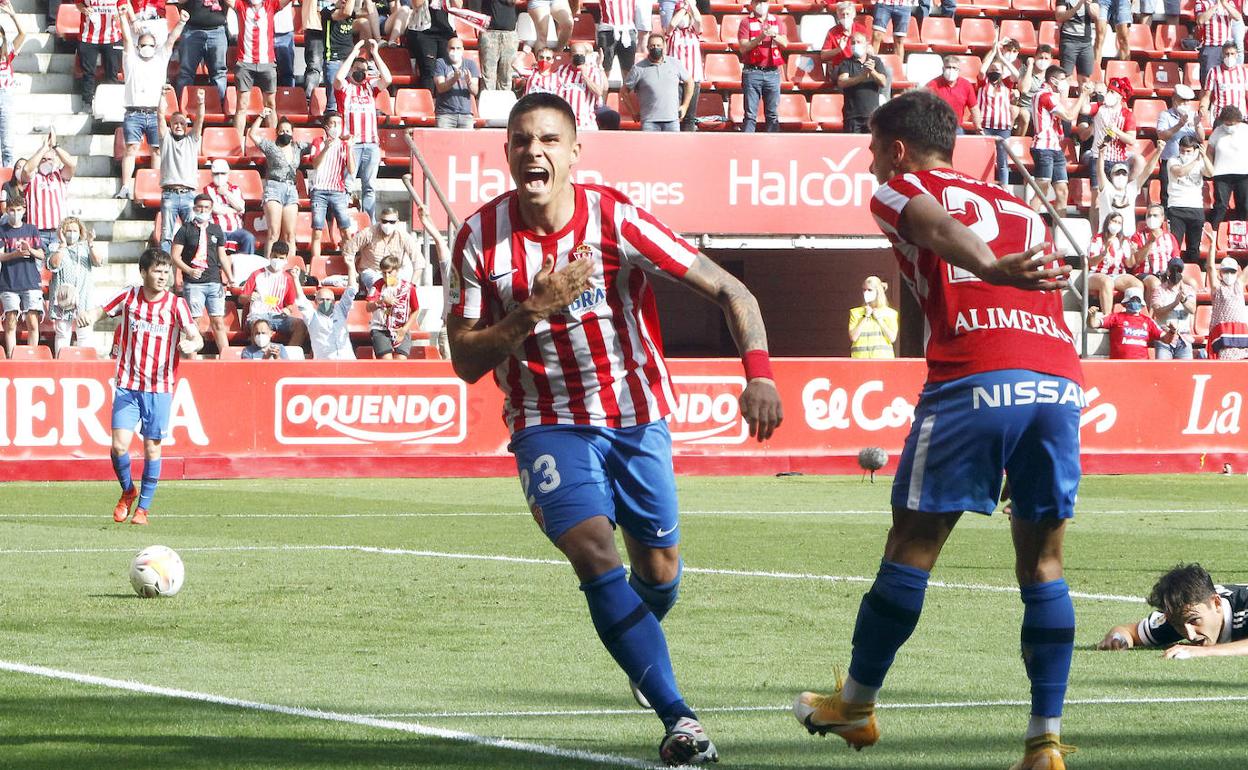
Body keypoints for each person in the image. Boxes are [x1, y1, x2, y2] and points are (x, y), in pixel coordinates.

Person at [447, 92, 782, 766]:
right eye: (520, 141)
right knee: (593, 550)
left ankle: (639, 642)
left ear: (574, 152)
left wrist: (761, 373)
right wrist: (530, 312)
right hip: (547, 421)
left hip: (636, 415)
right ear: (505, 152)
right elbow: (464, 361)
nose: (533, 152)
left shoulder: (613, 218)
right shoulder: (479, 239)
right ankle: (681, 720)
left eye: (548, 140)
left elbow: (731, 291)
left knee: (659, 573)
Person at [792, 89, 1082, 770]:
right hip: (1058, 379)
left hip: (975, 375)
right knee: (1044, 560)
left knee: (913, 543)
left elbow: (930, 220)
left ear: (896, 148)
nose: (870, 166)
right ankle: (1045, 742)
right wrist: (1002, 267)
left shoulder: (901, 187)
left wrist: (983, 268)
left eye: (872, 150)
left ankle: (856, 707)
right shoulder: (1018, 204)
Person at [76, 248, 204, 526]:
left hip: (159, 387)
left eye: (166, 271)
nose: (163, 276)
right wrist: (88, 316)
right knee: (118, 446)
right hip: (127, 384)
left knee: (151, 449)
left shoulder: (175, 304)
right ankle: (127, 490)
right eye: (157, 271)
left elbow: (197, 337)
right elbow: (101, 310)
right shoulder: (129, 296)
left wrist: (191, 343)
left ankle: (143, 509)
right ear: (143, 272)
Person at [115, 6, 187, 201]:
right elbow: (127, 39)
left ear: (155, 47)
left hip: (155, 113)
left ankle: (155, 187)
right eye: (143, 44)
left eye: (150, 45)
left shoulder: (160, 60)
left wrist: (181, 22)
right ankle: (125, 186)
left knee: (156, 150)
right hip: (133, 112)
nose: (146, 47)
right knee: (131, 149)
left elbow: (171, 40)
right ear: (139, 47)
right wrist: (123, 17)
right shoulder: (130, 60)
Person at [1100, 564, 1248, 657]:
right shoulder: (1179, 615)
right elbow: (1128, 631)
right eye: (1178, 625)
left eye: (1194, 620)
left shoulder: (1244, 606)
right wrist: (1118, 638)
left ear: (1216, 603)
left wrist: (1204, 652)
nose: (1190, 635)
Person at [334, 40, 392, 221]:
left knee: (370, 186)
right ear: (351, 70)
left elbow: (388, 79)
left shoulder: (370, 88)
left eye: (364, 70)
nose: (360, 72)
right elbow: (337, 79)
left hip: (372, 144)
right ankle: (343, 221)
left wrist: (375, 54)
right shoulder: (345, 88)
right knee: (347, 185)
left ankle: (369, 220)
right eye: (357, 69)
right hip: (352, 144)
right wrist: (353, 53)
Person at [171, 193, 234, 356]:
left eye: (206, 207)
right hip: (193, 283)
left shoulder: (216, 229)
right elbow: (175, 256)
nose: (203, 210)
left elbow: (222, 255)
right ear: (194, 208)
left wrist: (230, 277)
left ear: (211, 209)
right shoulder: (185, 229)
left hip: (214, 281)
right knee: (194, 324)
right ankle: (191, 361)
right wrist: (189, 270)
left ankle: (227, 358)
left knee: (218, 322)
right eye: (199, 207)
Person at [228, 0, 294, 143]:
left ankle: (275, 143)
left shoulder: (271, 4)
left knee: (270, 104)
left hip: (267, 62)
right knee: (242, 106)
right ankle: (238, 143)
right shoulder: (241, 5)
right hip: (245, 62)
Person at [1030, 68, 1093, 214]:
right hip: (1043, 146)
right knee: (1042, 189)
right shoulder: (1045, 95)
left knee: (1062, 191)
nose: (1066, 83)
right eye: (1063, 79)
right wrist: (1083, 95)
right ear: (1053, 80)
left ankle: (1059, 232)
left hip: (1055, 147)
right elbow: (1069, 116)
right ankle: (1030, 224)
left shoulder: (1051, 95)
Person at [248, 110, 309, 260]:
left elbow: (316, 144)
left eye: (287, 130)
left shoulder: (298, 147)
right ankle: (269, 264)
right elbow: (252, 134)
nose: (285, 133)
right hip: (274, 187)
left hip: (291, 189)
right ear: (277, 133)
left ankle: (290, 265)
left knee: (290, 235)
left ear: (292, 133)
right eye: (281, 130)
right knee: (273, 233)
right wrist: (261, 116)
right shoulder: (271, 146)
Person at [157, 88, 206, 256]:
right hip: (170, 194)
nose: (178, 126)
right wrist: (162, 96)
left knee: (192, 235)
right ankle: (165, 272)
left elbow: (200, 120)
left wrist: (200, 102)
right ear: (171, 126)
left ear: (186, 126)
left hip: (189, 195)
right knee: (166, 236)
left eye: (182, 123)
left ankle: (189, 270)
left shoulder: (192, 140)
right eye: (175, 123)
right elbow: (160, 117)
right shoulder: (166, 139)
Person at [308, 112, 358, 268]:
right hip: (319, 190)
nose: (336, 127)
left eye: (339, 123)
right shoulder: (318, 142)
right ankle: (315, 264)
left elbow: (351, 169)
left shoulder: (344, 145)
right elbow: (315, 164)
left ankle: (350, 264)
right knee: (317, 230)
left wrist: (350, 148)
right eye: (333, 123)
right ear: (326, 126)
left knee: (345, 231)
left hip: (338, 191)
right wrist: (326, 149)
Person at [47, 216, 102, 356]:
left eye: (75, 230)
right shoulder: (55, 247)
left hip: (83, 298)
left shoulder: (85, 247)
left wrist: (91, 244)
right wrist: (62, 245)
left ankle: (83, 365)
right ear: (62, 232)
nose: (72, 233)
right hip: (63, 299)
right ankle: (60, 364)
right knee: (62, 334)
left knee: (84, 333)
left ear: (80, 232)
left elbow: (98, 261)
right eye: (68, 230)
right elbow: (54, 264)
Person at [0, 198, 45, 357]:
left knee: (33, 322)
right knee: (10, 322)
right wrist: (16, 254)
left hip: (31, 282)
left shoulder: (32, 229)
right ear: (7, 211)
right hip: (8, 283)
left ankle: (31, 356)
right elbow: (0, 256)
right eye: (12, 210)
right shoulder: (2, 230)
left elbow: (41, 254)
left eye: (19, 210)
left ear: (24, 210)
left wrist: (29, 250)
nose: (15, 213)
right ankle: (12, 357)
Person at [240, 240, 307, 347]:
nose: (277, 260)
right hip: (257, 315)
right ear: (270, 255)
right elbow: (241, 298)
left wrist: (287, 309)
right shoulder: (257, 274)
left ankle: (289, 355)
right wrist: (249, 297)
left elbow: (290, 304)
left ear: (286, 259)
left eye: (281, 258)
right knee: (260, 327)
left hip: (277, 316)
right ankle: (257, 356)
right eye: (275, 257)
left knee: (300, 325)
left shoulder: (288, 278)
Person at [342, 205, 424, 292]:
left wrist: (412, 285)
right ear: (380, 221)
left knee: (400, 287)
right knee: (380, 286)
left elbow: (419, 261)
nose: (387, 224)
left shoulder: (403, 236)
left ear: (397, 222)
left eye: (391, 222)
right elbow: (348, 250)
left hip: (393, 273)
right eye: (384, 221)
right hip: (372, 271)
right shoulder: (369, 232)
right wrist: (353, 271)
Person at [20, 130, 76, 255]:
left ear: (55, 160)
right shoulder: (32, 177)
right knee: (37, 271)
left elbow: (72, 165)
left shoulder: (60, 176)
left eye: (50, 159)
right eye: (43, 159)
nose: (46, 162)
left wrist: (55, 147)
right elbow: (27, 168)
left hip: (58, 232)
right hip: (37, 232)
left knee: (57, 269)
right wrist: (43, 149)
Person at [624, 34, 692, 132]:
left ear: (664, 47)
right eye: (652, 46)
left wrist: (685, 106)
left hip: (672, 120)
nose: (656, 48)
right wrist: (633, 111)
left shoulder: (675, 64)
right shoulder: (638, 68)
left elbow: (689, 82)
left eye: (658, 45)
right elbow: (624, 91)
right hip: (649, 122)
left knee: (673, 147)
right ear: (647, 47)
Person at [1082, 78, 1139, 193]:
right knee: (1097, 195)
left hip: (1118, 160)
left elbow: (1131, 140)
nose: (1108, 94)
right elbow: (1084, 109)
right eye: (1108, 91)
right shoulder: (1099, 107)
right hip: (1098, 157)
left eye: (1112, 92)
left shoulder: (1127, 115)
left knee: (1117, 194)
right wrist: (1085, 94)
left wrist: (1116, 130)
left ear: (1120, 96)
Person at [1086, 285, 1173, 358]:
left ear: (1142, 303)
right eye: (1132, 300)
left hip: (1142, 367)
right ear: (1125, 302)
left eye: (1137, 300)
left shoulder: (1148, 321)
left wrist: (1172, 331)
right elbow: (1093, 324)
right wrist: (1091, 316)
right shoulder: (1115, 317)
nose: (1135, 303)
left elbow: (1166, 339)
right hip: (1119, 366)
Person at [738, 0, 785, 133]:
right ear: (752, 4)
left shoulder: (776, 20)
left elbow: (785, 43)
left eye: (764, 2)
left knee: (772, 115)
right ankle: (746, 146)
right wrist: (761, 37)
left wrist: (774, 34)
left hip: (772, 72)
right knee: (750, 115)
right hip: (752, 71)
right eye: (758, 2)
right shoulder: (746, 22)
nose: (761, 5)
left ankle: (773, 145)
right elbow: (743, 47)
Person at [1166, 135, 1212, 265]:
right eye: (1182, 150)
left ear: (1195, 150)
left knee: (1194, 247)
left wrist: (1203, 157)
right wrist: (1195, 160)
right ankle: (1174, 274)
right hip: (1176, 207)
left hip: (1196, 207)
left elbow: (1210, 173)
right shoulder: (1173, 160)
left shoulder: (1200, 161)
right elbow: (1179, 172)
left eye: (1188, 151)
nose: (1185, 154)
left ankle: (1193, 271)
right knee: (1175, 246)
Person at [1086, 210, 1141, 313]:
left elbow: (1129, 264)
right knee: (1107, 282)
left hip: (1117, 275)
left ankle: (1133, 316)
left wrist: (1133, 253)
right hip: (1097, 274)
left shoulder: (1123, 241)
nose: (1116, 224)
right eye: (1114, 221)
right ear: (1108, 223)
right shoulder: (1096, 239)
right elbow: (1091, 263)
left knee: (1137, 284)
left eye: (1119, 223)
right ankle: (1107, 318)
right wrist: (1103, 252)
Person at [175, 0, 229, 105]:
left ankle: (219, 106)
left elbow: (233, 3)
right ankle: (181, 108)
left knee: (219, 73)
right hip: (192, 30)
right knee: (186, 73)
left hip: (217, 30)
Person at [366, 254, 419, 358]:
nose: (387, 276)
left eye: (389, 272)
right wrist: (381, 302)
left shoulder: (408, 288)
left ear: (397, 271)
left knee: (401, 359)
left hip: (400, 327)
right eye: (384, 273)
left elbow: (416, 309)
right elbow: (368, 307)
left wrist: (404, 330)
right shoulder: (378, 285)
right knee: (386, 360)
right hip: (381, 328)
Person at [1129, 203, 1181, 307]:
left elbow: (1176, 258)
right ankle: (1151, 317)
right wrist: (1150, 242)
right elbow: (1137, 261)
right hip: (1144, 273)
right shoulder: (1137, 236)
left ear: (1162, 218)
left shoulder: (1169, 237)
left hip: (1166, 273)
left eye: (1155, 215)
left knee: (1191, 282)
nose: (1151, 218)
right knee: (1154, 283)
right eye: (1149, 215)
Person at [1156, 85, 1201, 208]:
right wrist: (1179, 125)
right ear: (1174, 99)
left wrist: (1197, 125)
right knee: (1167, 195)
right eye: (1182, 100)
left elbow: (1201, 138)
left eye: (1188, 101)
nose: (1186, 103)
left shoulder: (1192, 115)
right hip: (1170, 161)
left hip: (1189, 162)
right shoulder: (1165, 115)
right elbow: (1162, 136)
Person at [835, 33, 887, 134]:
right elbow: (842, 82)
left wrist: (872, 71)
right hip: (852, 117)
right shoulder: (846, 63)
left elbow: (883, 82)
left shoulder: (876, 61)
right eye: (853, 43)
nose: (856, 45)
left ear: (866, 44)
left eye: (859, 42)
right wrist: (862, 77)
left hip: (871, 116)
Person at [1207, 106, 1248, 235]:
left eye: (1232, 124)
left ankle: (1243, 235)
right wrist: (1209, 168)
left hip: (1243, 174)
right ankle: (1215, 233)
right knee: (1221, 206)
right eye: (1227, 123)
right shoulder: (1217, 131)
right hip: (1221, 174)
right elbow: (1210, 152)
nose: (1229, 126)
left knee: (1244, 206)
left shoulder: (1246, 130)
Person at [77, 0, 123, 112]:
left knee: (112, 74)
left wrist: (120, 13)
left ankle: (112, 104)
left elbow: (124, 5)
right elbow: (78, 3)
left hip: (112, 36)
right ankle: (87, 102)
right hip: (88, 36)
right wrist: (84, 9)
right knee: (88, 73)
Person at [203, 159, 256, 256]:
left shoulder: (235, 189)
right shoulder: (208, 189)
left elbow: (240, 206)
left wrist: (227, 193)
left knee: (249, 237)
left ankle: (246, 264)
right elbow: (215, 209)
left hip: (236, 229)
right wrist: (233, 209)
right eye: (216, 174)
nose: (219, 176)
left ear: (227, 174)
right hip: (218, 229)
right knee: (220, 237)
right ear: (212, 174)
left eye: (222, 173)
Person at [664, 0, 702, 132]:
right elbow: (673, 23)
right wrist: (684, 8)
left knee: (690, 116)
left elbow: (698, 20)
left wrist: (692, 6)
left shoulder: (694, 32)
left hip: (693, 79)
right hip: (675, 80)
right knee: (674, 115)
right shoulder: (672, 33)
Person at [1149, 257, 1197, 359]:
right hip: (1164, 337)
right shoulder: (1159, 290)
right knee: (1163, 371)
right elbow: (1157, 312)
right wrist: (1174, 304)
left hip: (1184, 339)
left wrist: (1183, 300)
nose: (1175, 273)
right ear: (1168, 271)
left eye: (1178, 270)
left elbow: (1192, 309)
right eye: (1173, 270)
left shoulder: (1188, 290)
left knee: (1186, 372)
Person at [977, 58, 1016, 187]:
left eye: (997, 70)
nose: (994, 72)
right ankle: (984, 185)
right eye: (992, 70)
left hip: (1003, 127)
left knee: (1002, 160)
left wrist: (1003, 58)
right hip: (985, 126)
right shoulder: (983, 83)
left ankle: (1004, 187)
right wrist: (994, 52)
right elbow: (982, 71)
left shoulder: (1006, 83)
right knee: (983, 157)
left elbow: (1016, 75)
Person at [0, 5, 28, 169]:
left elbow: (23, 34)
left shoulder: (6, 53)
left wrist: (13, 15)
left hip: (6, 99)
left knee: (8, 146)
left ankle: (7, 186)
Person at [297, 285, 356, 359]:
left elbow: (351, 291)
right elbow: (300, 299)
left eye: (328, 299)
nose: (325, 302)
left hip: (348, 361)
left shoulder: (340, 311)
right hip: (325, 363)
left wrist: (351, 272)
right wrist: (295, 277)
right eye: (321, 299)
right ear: (315, 301)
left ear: (334, 302)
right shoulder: (311, 316)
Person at [1206, 255, 1248, 359]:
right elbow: (1210, 267)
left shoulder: (1239, 285)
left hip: (1241, 333)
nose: (1229, 274)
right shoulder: (1217, 287)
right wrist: (1212, 245)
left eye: (1232, 271)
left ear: (1237, 272)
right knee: (1224, 365)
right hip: (1223, 335)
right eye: (1225, 271)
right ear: (1220, 273)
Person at [434, 36, 480, 129]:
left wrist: (469, 82)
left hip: (466, 114)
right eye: (452, 48)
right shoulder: (441, 63)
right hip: (445, 114)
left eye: (458, 48)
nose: (455, 51)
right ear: (447, 49)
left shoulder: (470, 64)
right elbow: (440, 88)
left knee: (466, 143)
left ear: (463, 49)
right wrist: (454, 79)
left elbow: (475, 91)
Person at [848, 275, 898, 358]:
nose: (866, 293)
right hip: (859, 361)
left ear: (878, 292)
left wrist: (879, 319)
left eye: (870, 290)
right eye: (864, 290)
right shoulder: (855, 313)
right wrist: (865, 317)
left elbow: (892, 338)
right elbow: (853, 337)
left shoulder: (890, 313)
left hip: (883, 361)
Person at [820, 1, 871, 80]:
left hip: (859, 64)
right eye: (842, 14)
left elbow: (870, 49)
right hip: (841, 67)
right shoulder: (832, 32)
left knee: (886, 71)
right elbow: (823, 56)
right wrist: (838, 49)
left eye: (848, 14)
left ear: (853, 15)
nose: (845, 17)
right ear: (838, 16)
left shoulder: (861, 29)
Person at [1200, 42, 1248, 126]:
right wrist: (1203, 108)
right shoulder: (1214, 72)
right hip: (1221, 118)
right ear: (1222, 55)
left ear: (1237, 54)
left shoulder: (1244, 72)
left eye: (1232, 54)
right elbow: (1207, 96)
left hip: (1240, 118)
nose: (1229, 56)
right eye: (1227, 54)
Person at [1196, 0, 1241, 85]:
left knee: (1228, 80)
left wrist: (1224, 3)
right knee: (1207, 83)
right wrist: (1216, 6)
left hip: (1227, 47)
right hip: (1210, 47)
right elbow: (1200, 20)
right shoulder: (1201, 2)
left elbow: (1237, 17)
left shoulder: (1228, 2)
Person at [1014, 45, 1053, 137]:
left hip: (1044, 108)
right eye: (1040, 58)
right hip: (1026, 106)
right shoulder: (1024, 69)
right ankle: (1019, 141)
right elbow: (1024, 89)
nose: (1043, 61)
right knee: (1025, 114)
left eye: (1046, 58)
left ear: (1051, 60)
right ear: (1035, 58)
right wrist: (1030, 67)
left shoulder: (1052, 73)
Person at [479, 0, 518, 91]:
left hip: (510, 34)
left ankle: (504, 104)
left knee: (506, 76)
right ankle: (488, 103)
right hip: (490, 33)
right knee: (488, 76)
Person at [1055, 0, 1096, 86]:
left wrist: (1089, 6)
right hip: (1069, 40)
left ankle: (1083, 98)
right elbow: (1059, 16)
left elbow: (1096, 15)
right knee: (1066, 77)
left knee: (1085, 79)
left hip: (1086, 42)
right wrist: (1077, 7)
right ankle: (1064, 98)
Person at [596, 0, 637, 83]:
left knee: (628, 70)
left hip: (627, 30)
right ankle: (602, 95)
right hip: (607, 29)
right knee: (604, 68)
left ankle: (626, 95)